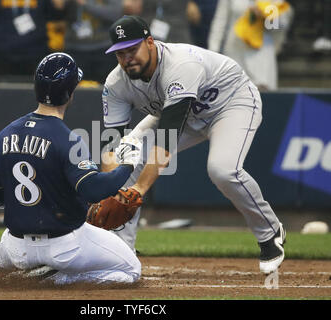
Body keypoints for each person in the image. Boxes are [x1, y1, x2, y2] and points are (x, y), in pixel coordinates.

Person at [100, 15, 286, 274]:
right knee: (127, 162)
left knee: (222, 170)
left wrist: (138, 190)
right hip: (184, 112)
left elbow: (165, 141)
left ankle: (270, 233)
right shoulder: (115, 84)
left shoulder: (180, 65)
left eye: (132, 49)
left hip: (231, 103)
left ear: (150, 42)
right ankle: (123, 254)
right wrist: (110, 189)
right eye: (120, 52)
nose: (127, 57)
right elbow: (112, 148)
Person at [0, 52, 141, 284]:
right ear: (70, 93)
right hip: (64, 247)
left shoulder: (6, 133)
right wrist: (127, 166)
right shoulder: (68, 139)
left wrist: (25, 203)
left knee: (6, 250)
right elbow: (93, 190)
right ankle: (58, 279)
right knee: (132, 270)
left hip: (17, 246)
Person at [208, 0, 293, 91]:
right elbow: (220, 21)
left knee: (263, 98)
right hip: (234, 52)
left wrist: (266, 16)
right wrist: (212, 54)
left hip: (262, 55)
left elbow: (279, 27)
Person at [61, 0, 143, 84]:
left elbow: (115, 13)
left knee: (107, 88)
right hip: (75, 48)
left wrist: (85, 4)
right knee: (73, 90)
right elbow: (58, 10)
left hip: (103, 49)